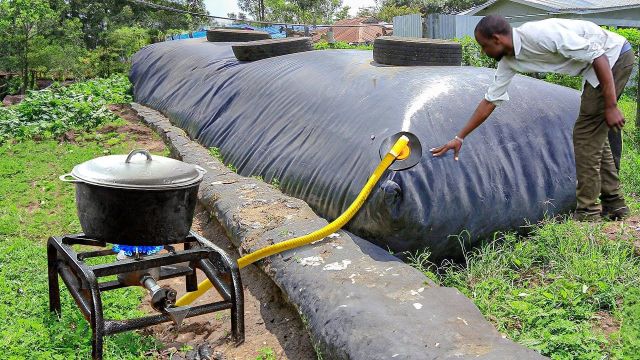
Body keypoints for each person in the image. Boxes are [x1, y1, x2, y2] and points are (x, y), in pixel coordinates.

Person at [430, 16, 635, 221]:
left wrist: (611, 106)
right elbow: (490, 101)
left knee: (585, 135)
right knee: (592, 133)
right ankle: (614, 204)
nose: (483, 52)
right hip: (597, 67)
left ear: (497, 39)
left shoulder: (542, 35)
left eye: (484, 46)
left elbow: (598, 56)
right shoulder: (508, 60)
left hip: (613, 56)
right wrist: (460, 137)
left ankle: (587, 212)